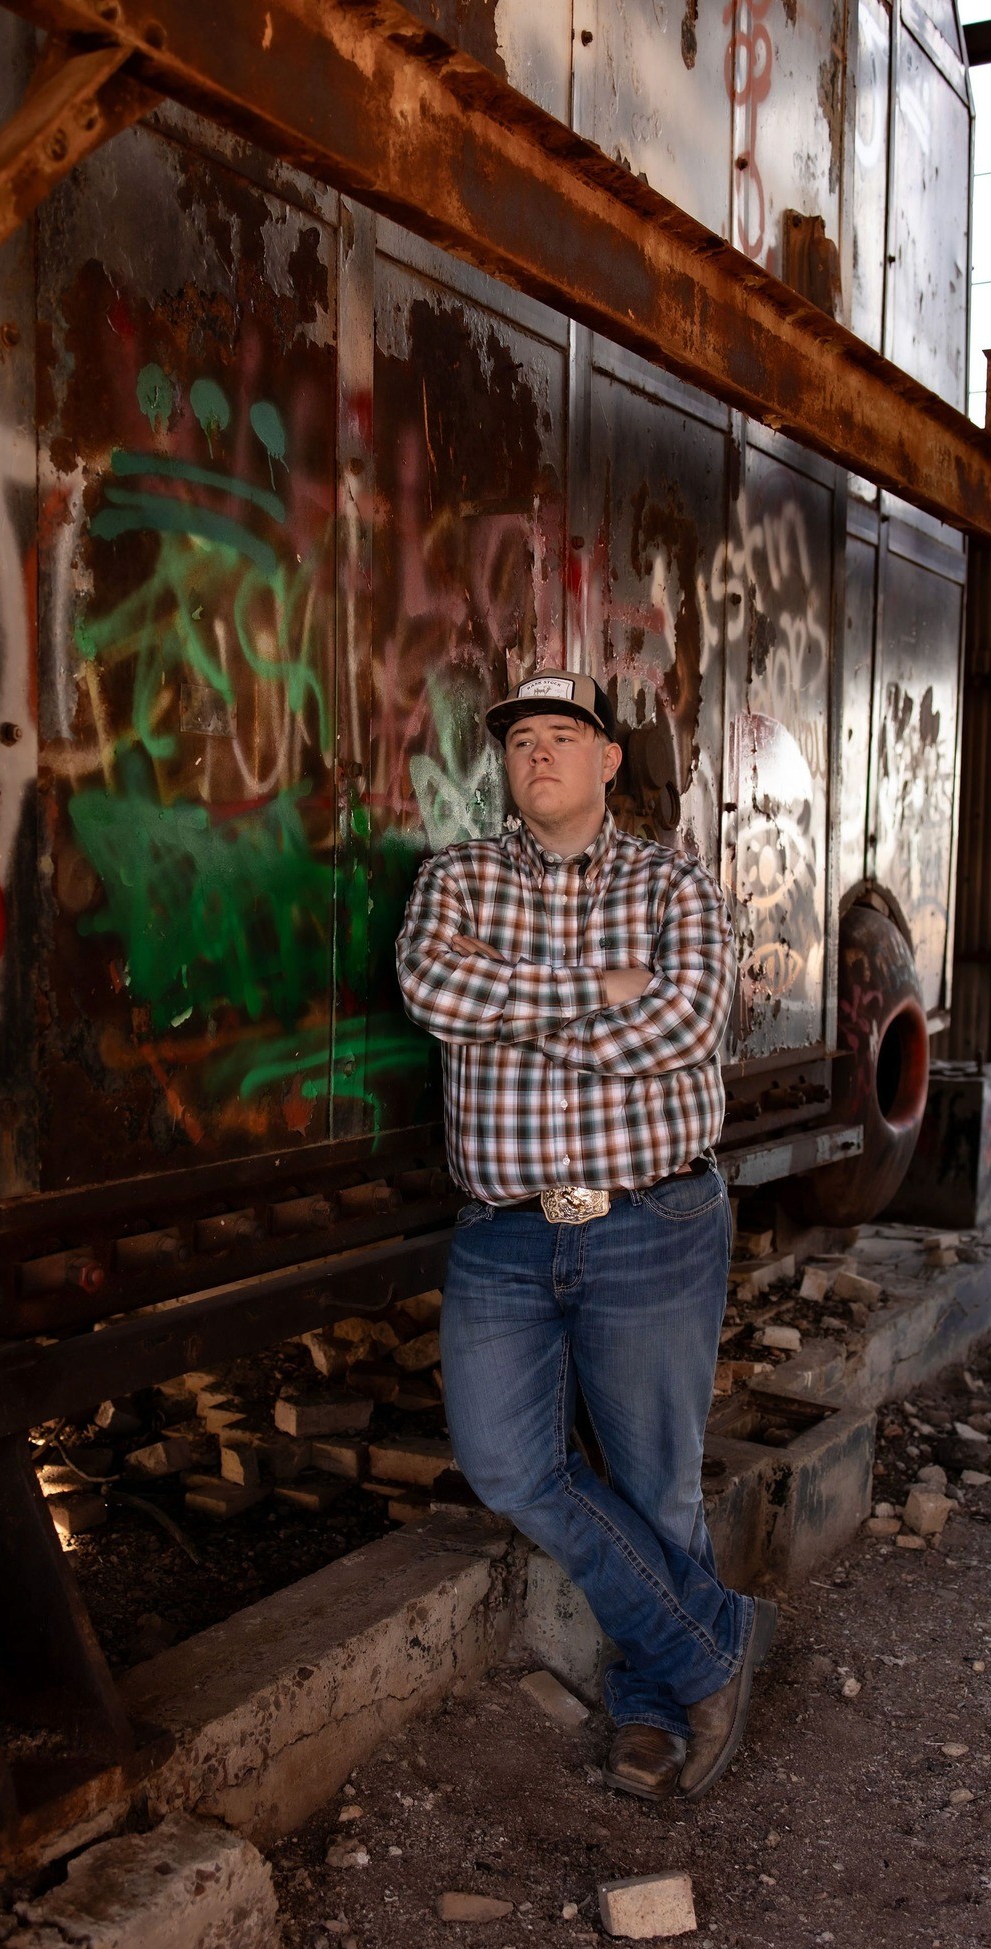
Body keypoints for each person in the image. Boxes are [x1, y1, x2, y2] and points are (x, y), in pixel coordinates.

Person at [396, 669, 776, 1802]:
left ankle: (659, 1703)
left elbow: (689, 1022)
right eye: (521, 741)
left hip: (651, 1218)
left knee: (658, 1483)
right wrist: (598, 992)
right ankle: (710, 1649)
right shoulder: (453, 877)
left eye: (565, 734)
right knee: (510, 1461)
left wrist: (515, 1006)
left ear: (610, 759)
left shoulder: (675, 885)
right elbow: (430, 989)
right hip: (506, 1231)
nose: (540, 754)